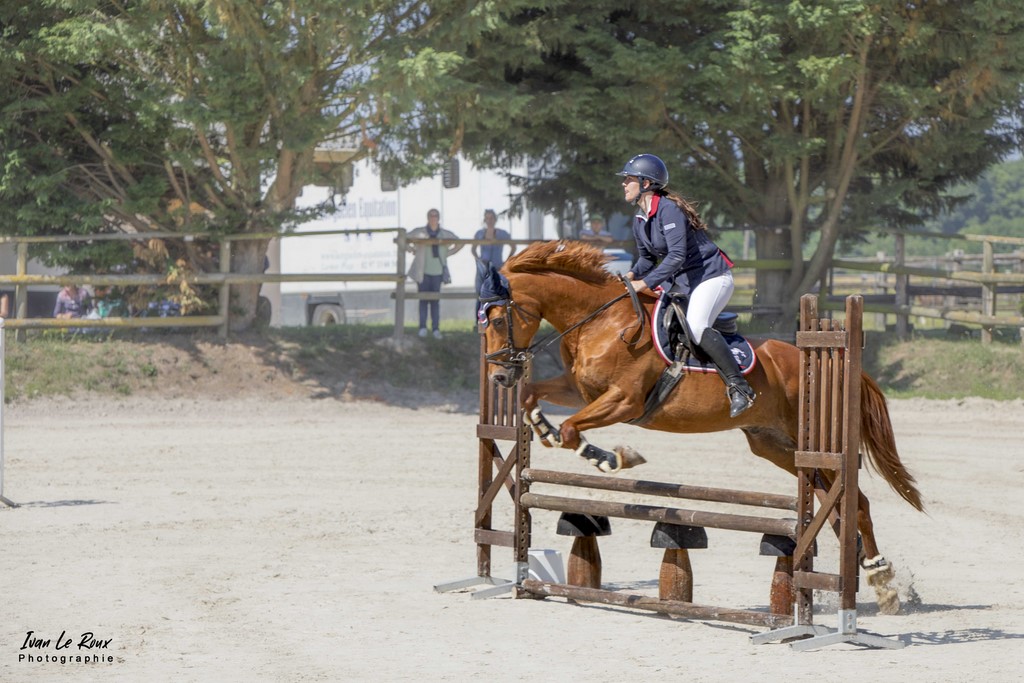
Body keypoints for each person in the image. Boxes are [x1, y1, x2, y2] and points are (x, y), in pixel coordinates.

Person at [618, 153, 755, 418]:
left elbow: (676, 255)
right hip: (683, 282)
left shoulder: (668, 209)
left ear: (646, 184)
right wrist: (629, 276)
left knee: (697, 324)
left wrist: (645, 283)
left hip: (710, 277)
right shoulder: (639, 219)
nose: (624, 184)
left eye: (629, 179)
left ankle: (740, 387)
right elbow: (646, 259)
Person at [407, 208, 462, 339]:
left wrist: (447, 253)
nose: (433, 218)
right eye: (431, 215)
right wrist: (411, 249)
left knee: (435, 302)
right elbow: (403, 239)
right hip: (423, 271)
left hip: (437, 272)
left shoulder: (444, 234)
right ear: (427, 217)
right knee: (423, 301)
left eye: (436, 215)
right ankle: (422, 327)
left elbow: (459, 242)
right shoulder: (420, 232)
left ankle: (436, 328)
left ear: (439, 218)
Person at [472, 209, 516, 298]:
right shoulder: (479, 234)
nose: (489, 220)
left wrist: (506, 261)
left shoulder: (502, 233)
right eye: (487, 218)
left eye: (491, 218)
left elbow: (513, 247)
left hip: (498, 266)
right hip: (483, 267)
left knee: (498, 293)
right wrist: (479, 260)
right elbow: (473, 249)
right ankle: (480, 312)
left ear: (495, 219)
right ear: (485, 220)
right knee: (480, 293)